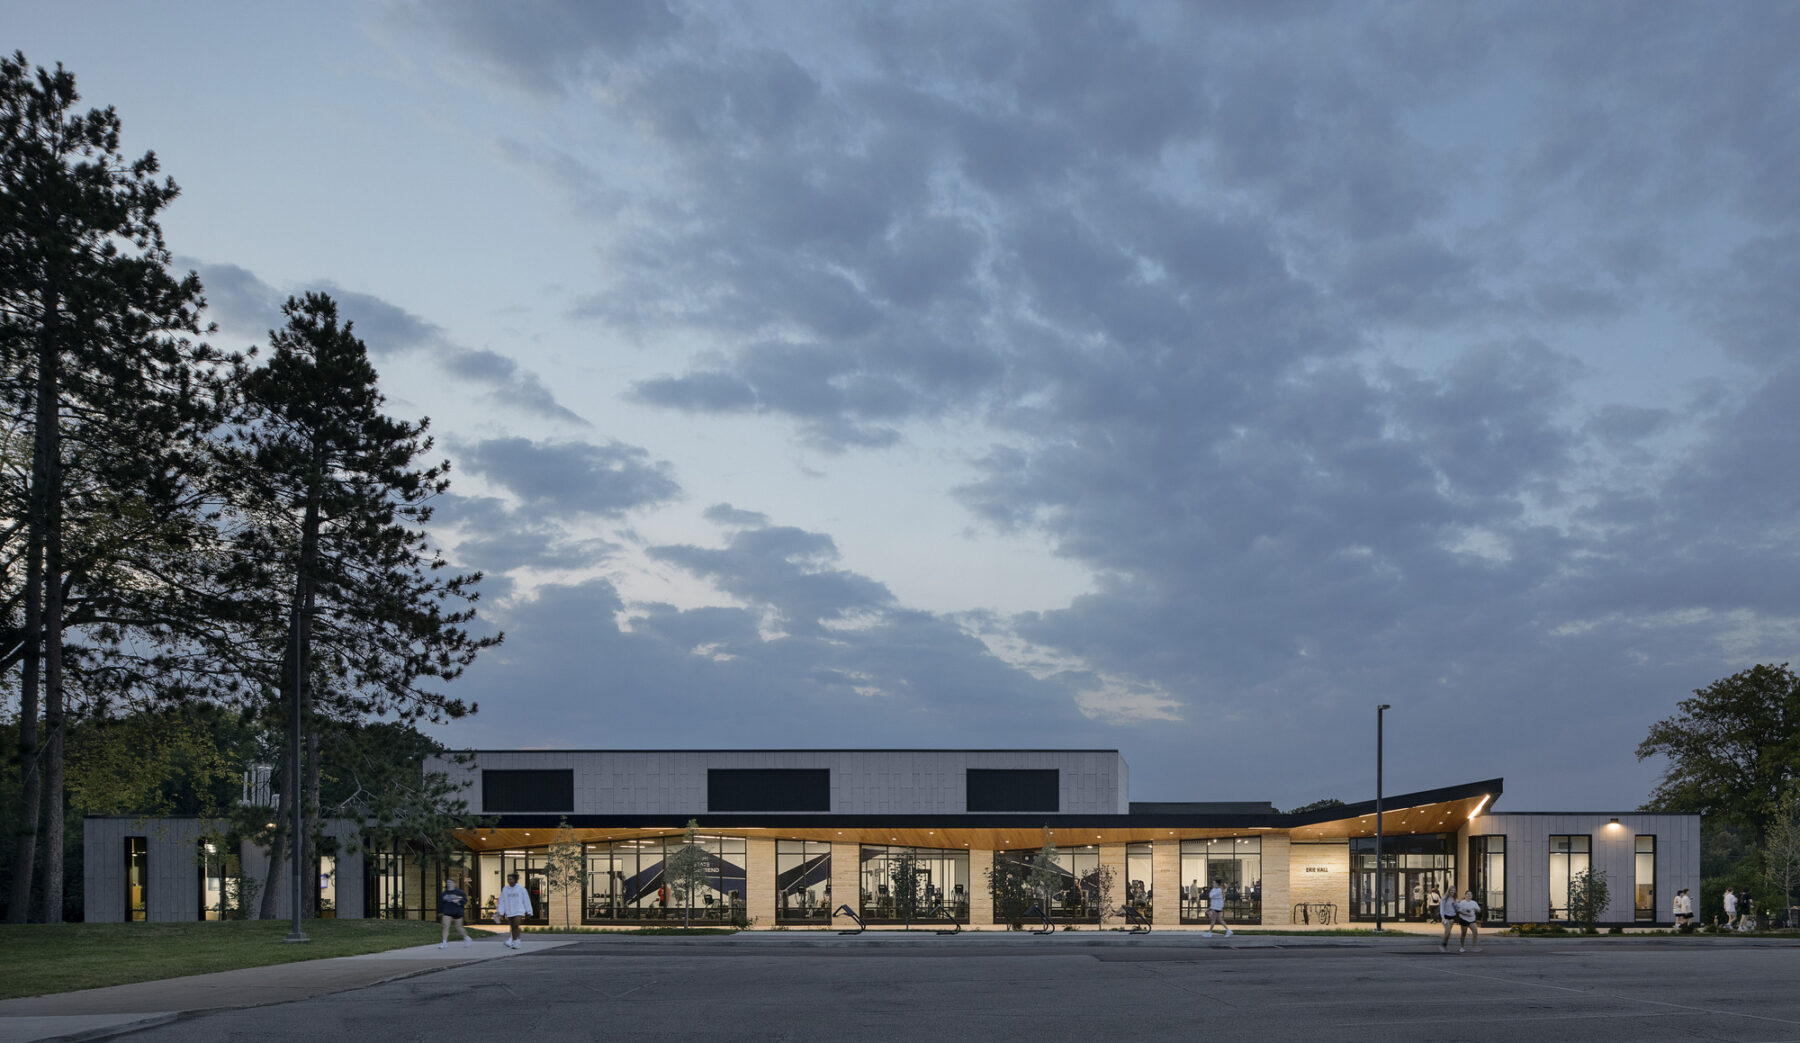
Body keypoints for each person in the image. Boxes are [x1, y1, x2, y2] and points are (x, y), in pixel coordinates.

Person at [497, 872, 533, 950]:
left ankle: (516, 942)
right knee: (512, 926)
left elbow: (526, 900)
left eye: (511, 879)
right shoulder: (505, 889)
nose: (509, 881)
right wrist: (500, 912)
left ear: (515, 880)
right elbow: (502, 901)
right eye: (508, 879)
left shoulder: (521, 889)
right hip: (509, 911)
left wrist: (529, 912)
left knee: (516, 925)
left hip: (519, 910)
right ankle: (515, 940)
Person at [438, 878, 472, 949]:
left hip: (457, 911)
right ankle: (444, 942)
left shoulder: (459, 892)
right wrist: (440, 911)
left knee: (458, 927)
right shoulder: (444, 893)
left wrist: (458, 901)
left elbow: (465, 900)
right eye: (448, 882)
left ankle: (467, 938)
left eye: (450, 882)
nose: (449, 884)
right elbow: (441, 903)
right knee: (445, 926)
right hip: (447, 912)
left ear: (454, 884)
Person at [1439, 887, 1459, 952]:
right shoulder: (1444, 898)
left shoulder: (1455, 899)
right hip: (1445, 916)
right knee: (1447, 931)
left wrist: (1456, 905)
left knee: (1448, 933)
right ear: (1449, 891)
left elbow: (1457, 909)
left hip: (1452, 916)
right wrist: (1443, 917)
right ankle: (1442, 945)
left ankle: (1444, 945)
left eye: (1454, 890)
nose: (1452, 892)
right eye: (1451, 890)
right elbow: (1441, 908)